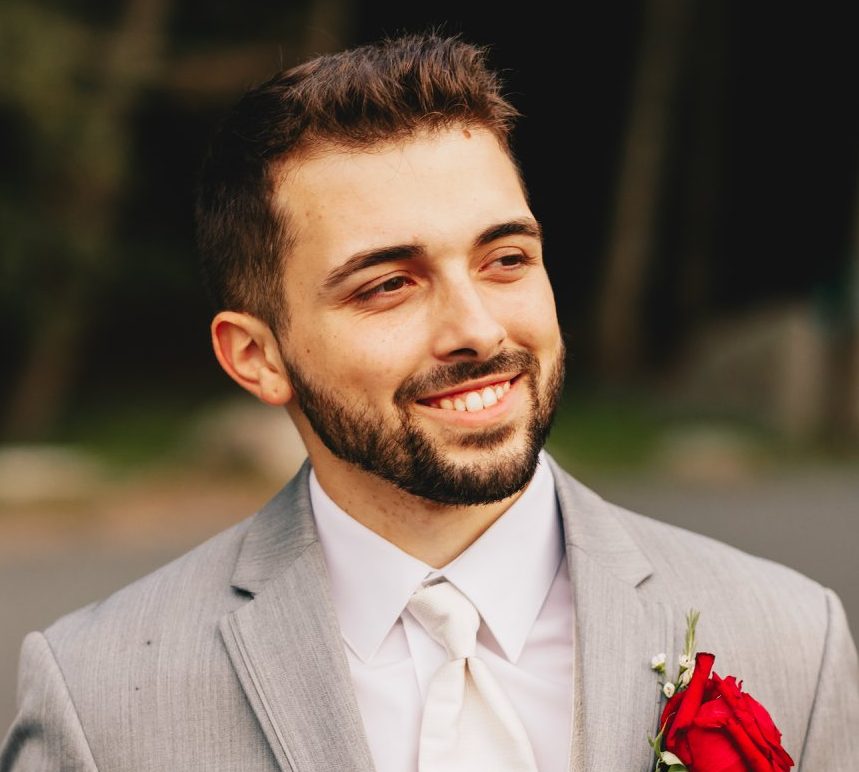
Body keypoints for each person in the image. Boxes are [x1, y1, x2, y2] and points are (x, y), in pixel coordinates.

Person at [2, 31, 857, 772]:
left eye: (506, 259)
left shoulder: (790, 637)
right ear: (257, 357)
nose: (477, 330)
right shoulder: (99, 694)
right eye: (387, 285)